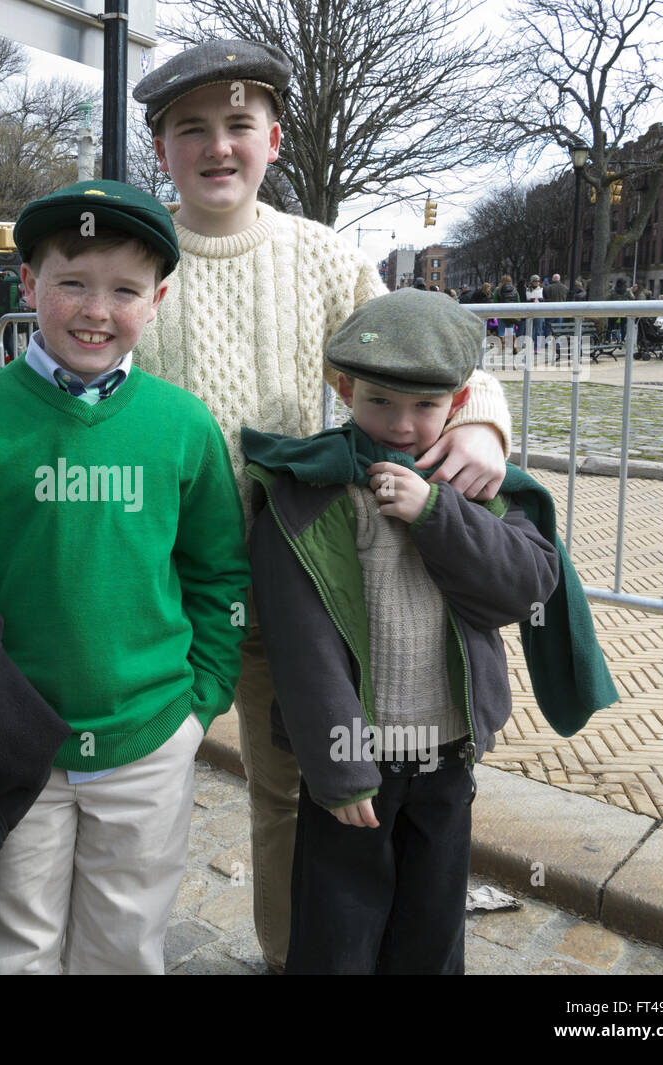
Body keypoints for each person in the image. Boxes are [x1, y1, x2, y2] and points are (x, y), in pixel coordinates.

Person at [129, 38, 512, 974]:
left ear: (273, 137)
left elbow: (431, 356)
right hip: (185, 585)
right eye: (191, 129)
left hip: (323, 589)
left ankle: (322, 953)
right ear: (161, 148)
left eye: (238, 125)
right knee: (205, 786)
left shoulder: (326, 257)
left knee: (307, 782)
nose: (217, 146)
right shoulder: (142, 261)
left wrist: (484, 427)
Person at [0, 180, 250, 974]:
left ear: (158, 298)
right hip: (10, 747)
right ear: (30, 284)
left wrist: (200, 704)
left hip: (149, 736)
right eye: (72, 282)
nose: (95, 309)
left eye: (125, 289)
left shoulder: (182, 426)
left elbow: (221, 577)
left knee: (125, 945)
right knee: (15, 944)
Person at [242, 289, 561, 973]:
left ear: (460, 400)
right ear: (345, 387)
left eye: (425, 406)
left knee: (432, 924)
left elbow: (526, 582)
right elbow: (302, 647)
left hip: (446, 750)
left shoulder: (470, 483)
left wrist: (439, 513)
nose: (402, 425)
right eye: (380, 401)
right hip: (358, 755)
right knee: (338, 928)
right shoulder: (305, 491)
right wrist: (341, 767)